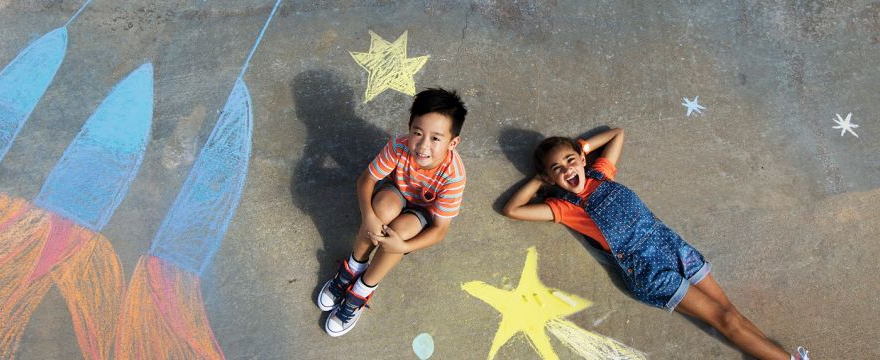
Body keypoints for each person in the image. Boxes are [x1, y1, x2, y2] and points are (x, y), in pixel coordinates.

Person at [502, 128, 809, 360]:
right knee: (725, 319)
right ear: (551, 178)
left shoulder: (600, 174)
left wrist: (582, 148)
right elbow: (513, 209)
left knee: (730, 312)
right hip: (650, 272)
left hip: (674, 248)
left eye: (570, 160)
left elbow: (617, 134)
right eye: (557, 169)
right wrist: (539, 178)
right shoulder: (566, 207)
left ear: (582, 159)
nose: (568, 169)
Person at [316, 88, 467, 337]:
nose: (423, 145)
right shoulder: (399, 146)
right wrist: (369, 217)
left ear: (453, 142)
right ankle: (354, 265)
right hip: (397, 192)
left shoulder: (454, 176)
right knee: (381, 209)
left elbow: (440, 230)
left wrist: (401, 245)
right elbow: (366, 180)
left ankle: (363, 289)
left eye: (436, 138)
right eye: (417, 133)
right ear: (409, 128)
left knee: (401, 233)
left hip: (422, 213)